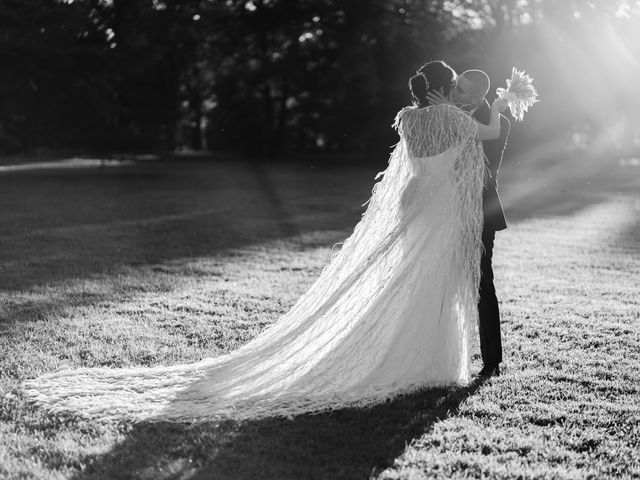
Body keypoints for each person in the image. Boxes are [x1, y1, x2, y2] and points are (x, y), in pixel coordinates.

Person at [22, 62, 508, 422]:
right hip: (438, 209)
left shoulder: (407, 118)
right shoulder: (459, 123)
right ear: (445, 89)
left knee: (406, 281)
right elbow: (490, 132)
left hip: (411, 199)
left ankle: (411, 348)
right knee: (430, 281)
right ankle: (426, 356)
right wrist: (501, 107)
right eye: (454, 88)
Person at [442, 69, 510, 377]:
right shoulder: (443, 114)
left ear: (479, 97)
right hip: (443, 210)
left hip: (480, 213)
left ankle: (492, 361)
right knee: (440, 282)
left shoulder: (499, 124)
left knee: (483, 284)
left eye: (463, 92)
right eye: (455, 87)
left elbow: (488, 171)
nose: (455, 94)